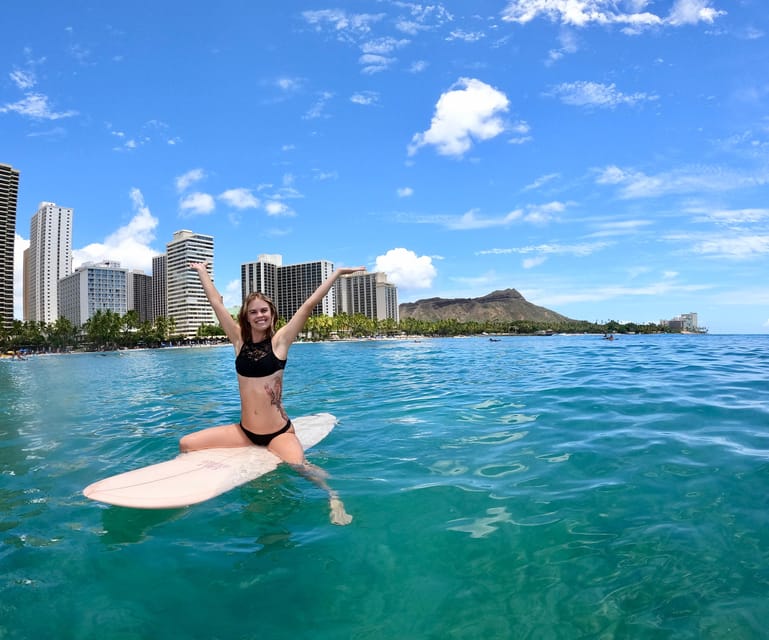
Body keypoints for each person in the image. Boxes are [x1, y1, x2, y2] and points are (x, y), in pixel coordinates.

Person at [181, 261, 364, 525]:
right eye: (253, 312)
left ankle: (332, 496)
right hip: (245, 431)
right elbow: (217, 304)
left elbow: (308, 305)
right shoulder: (238, 340)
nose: (259, 315)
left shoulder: (280, 342)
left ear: (272, 313)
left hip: (277, 433)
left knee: (300, 467)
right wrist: (202, 271)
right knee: (186, 443)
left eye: (263, 310)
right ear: (246, 316)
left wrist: (335, 274)